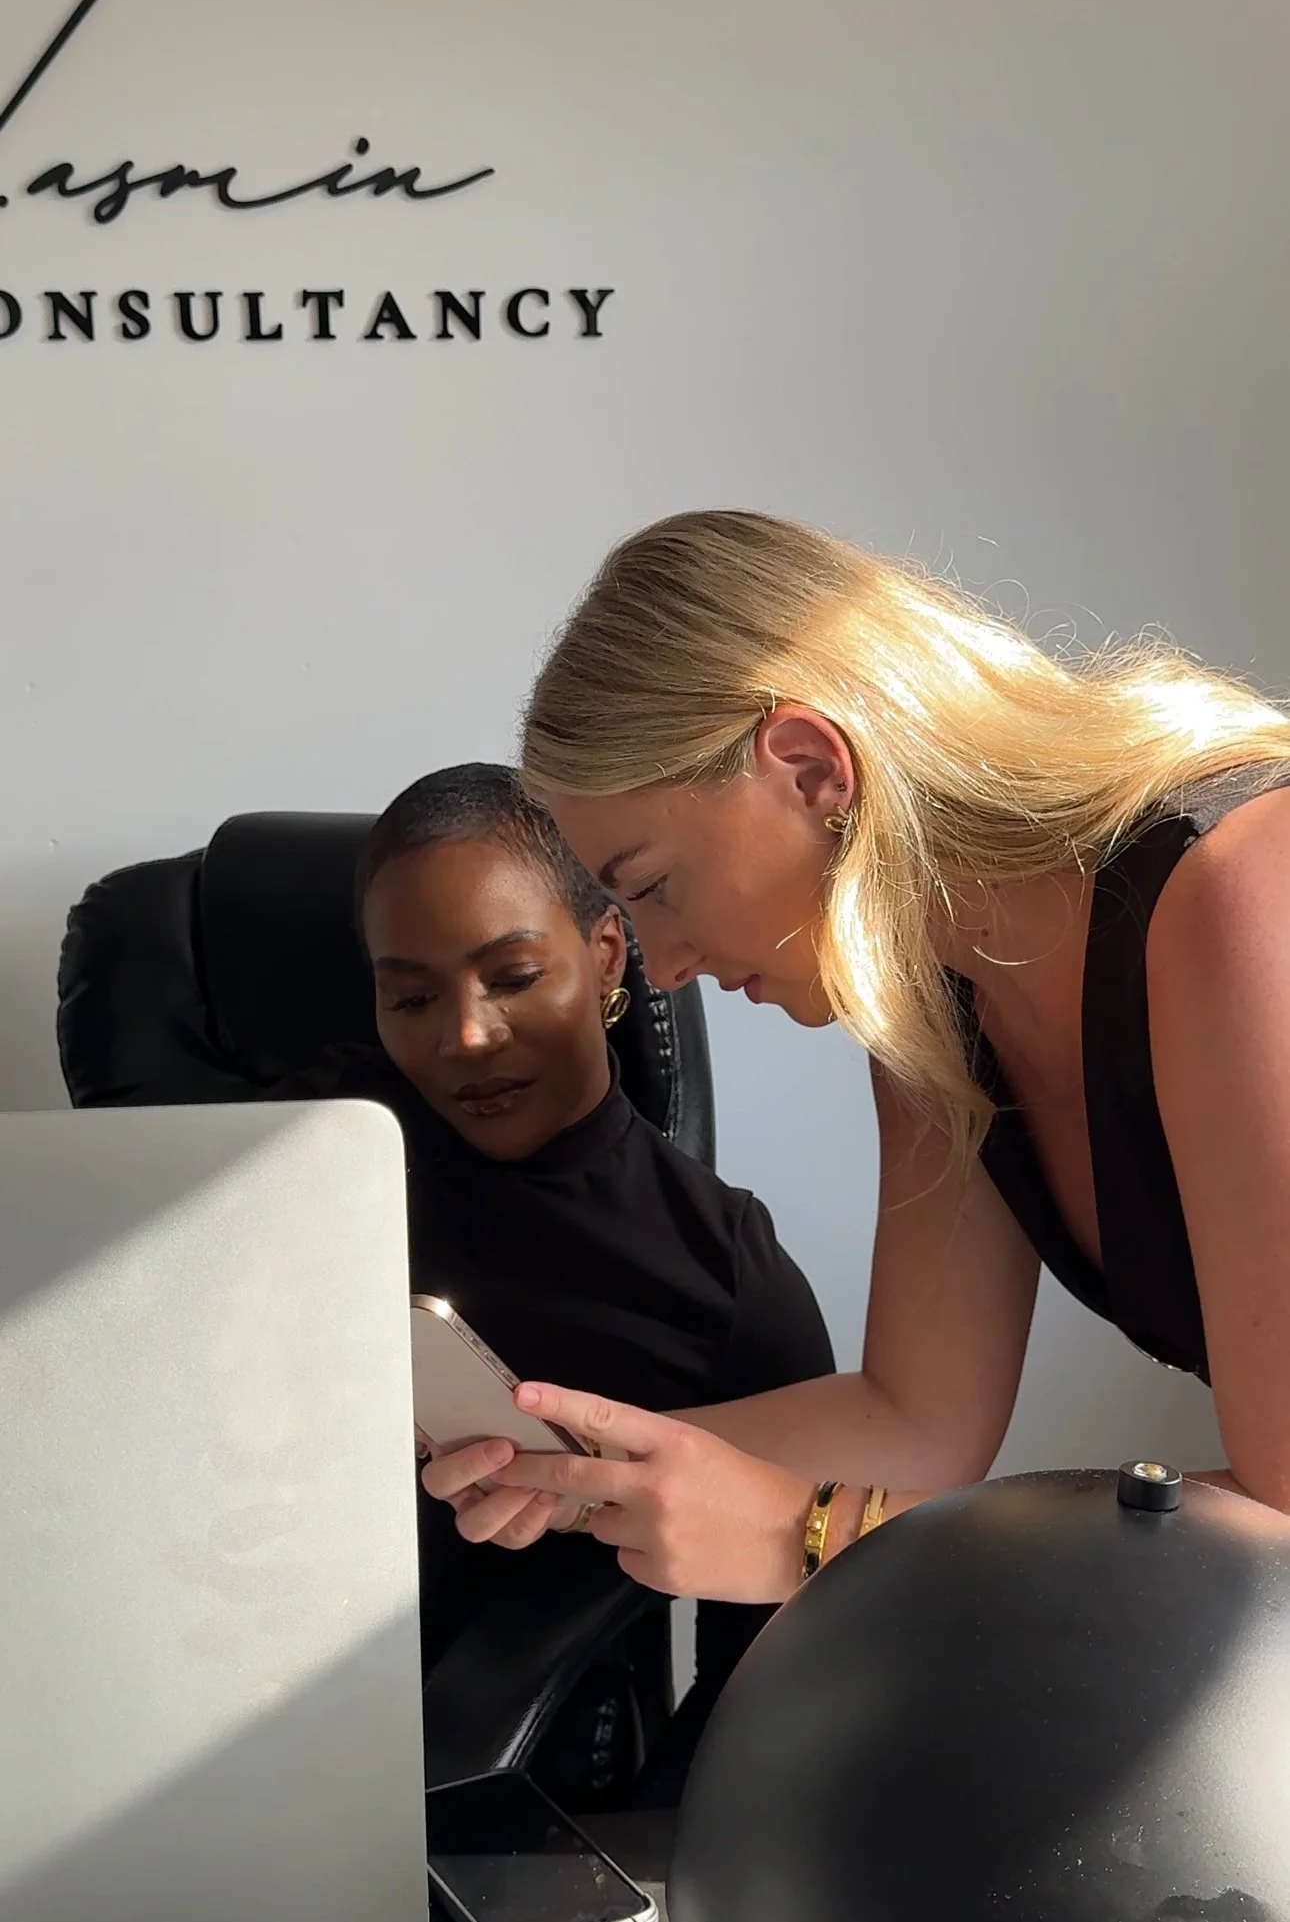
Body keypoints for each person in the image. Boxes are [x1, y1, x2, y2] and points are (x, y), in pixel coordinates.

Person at [420, 507, 1290, 1607]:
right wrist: (565, 1468)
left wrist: (807, 1534)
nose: (665, 968)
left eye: (651, 888)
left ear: (810, 767)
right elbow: (913, 1421)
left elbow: (1283, 1517)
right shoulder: (934, 1009)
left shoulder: (1241, 891)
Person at [273, 759, 834, 1787]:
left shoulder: (725, 1279)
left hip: (482, 1783)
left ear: (608, 954)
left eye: (515, 977)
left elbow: (763, 1686)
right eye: (411, 996)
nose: (466, 1036)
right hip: (237, 1666)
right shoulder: (307, 1148)